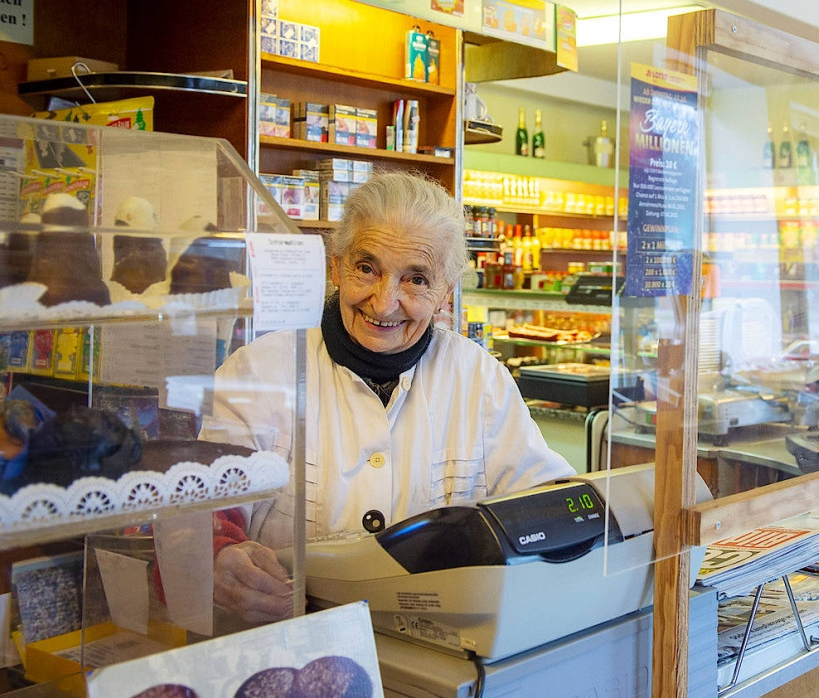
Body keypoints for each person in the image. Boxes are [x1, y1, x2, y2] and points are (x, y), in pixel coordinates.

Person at [201, 171, 574, 622]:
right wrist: (218, 556)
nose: (383, 303)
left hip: (435, 654)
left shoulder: (479, 379)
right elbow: (199, 513)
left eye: (416, 279)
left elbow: (547, 503)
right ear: (336, 266)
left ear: (445, 294)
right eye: (366, 268)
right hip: (287, 651)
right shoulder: (260, 369)